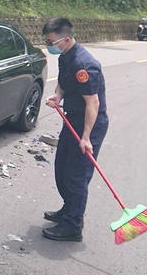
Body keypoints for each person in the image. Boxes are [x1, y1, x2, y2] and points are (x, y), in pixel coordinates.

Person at [41, 18, 108, 242]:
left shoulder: (84, 65)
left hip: (89, 125)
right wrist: (58, 96)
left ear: (67, 39)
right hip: (72, 119)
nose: (48, 46)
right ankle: (68, 210)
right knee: (62, 168)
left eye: (51, 42)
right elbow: (63, 82)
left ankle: (72, 226)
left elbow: (93, 103)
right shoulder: (65, 56)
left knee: (76, 176)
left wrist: (86, 137)